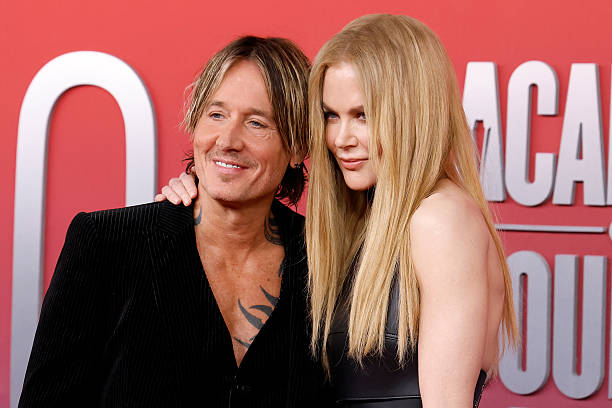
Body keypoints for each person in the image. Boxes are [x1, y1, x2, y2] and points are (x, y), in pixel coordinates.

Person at [160, 14, 518, 408]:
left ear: (414, 113)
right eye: (331, 115)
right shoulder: (364, 225)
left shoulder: (441, 218)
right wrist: (198, 207)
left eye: (363, 115)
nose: (341, 139)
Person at [19, 36, 327, 407]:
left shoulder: (327, 260)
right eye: (216, 115)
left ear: (297, 146)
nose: (227, 140)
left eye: (256, 123)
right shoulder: (106, 243)